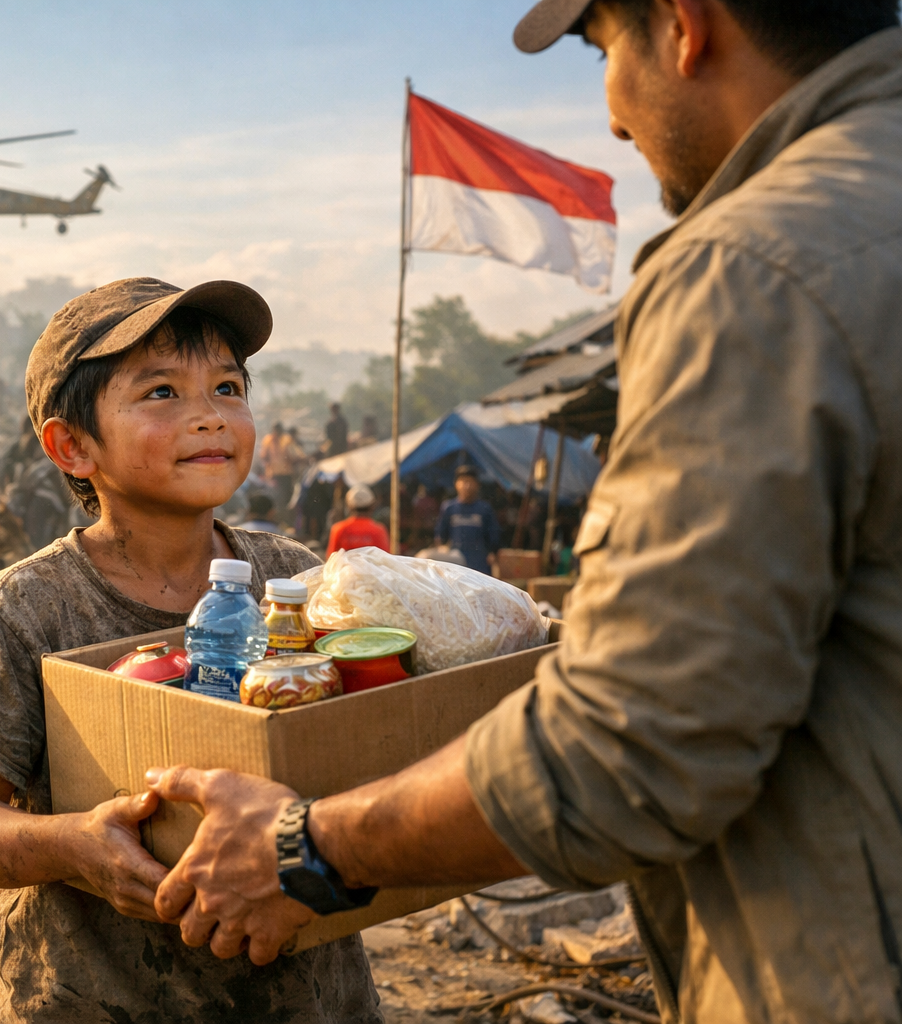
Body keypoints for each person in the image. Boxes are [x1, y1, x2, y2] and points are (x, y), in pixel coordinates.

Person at [142, 4, 902, 1023]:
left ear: (684, 25)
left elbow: (632, 742)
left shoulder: (757, 266)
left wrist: (307, 846)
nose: (616, 119)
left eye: (603, 50)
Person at [0, 277, 378, 1023]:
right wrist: (74, 846)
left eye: (228, 387)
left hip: (305, 999)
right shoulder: (30, 606)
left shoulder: (294, 581)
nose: (210, 415)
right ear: (72, 446)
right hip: (91, 1002)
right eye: (162, 392)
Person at [434, 466, 500, 574]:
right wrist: (442, 550)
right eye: (463, 481)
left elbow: (494, 536)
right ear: (456, 484)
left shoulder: (485, 509)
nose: (467, 486)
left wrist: (492, 554)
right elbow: (440, 536)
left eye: (470, 482)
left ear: (477, 485)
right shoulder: (449, 508)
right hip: (455, 562)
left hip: (479, 563)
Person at [327, 484, 391, 555]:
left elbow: (331, 559)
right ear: (372, 506)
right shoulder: (379, 531)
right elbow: (385, 558)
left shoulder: (338, 529)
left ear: (349, 506)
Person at [258, 420, 303, 511]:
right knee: (276, 496)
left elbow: (294, 455)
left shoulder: (287, 439)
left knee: (287, 495)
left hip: (286, 473)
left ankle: (286, 513)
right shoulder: (268, 440)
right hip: (273, 474)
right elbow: (263, 456)